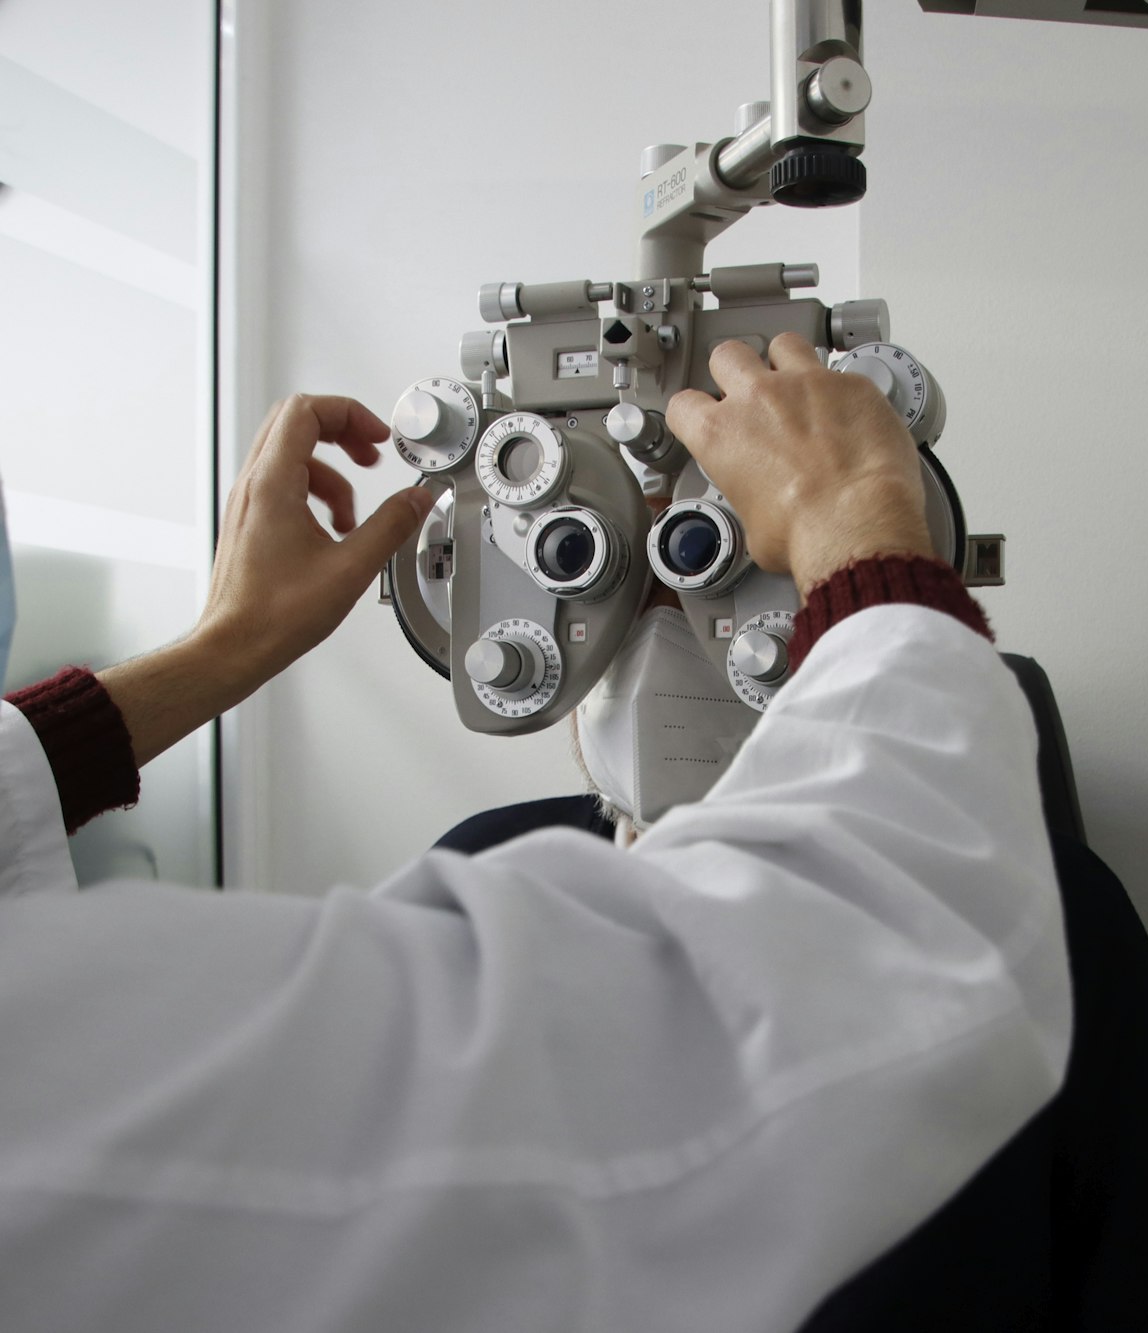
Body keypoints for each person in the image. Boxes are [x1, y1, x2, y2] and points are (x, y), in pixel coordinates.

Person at [0, 335, 1071, 1332]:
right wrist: (863, 529)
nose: (662, 623)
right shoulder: (488, 857)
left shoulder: (1075, 913)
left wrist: (222, 650)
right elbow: (875, 960)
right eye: (615, 579)